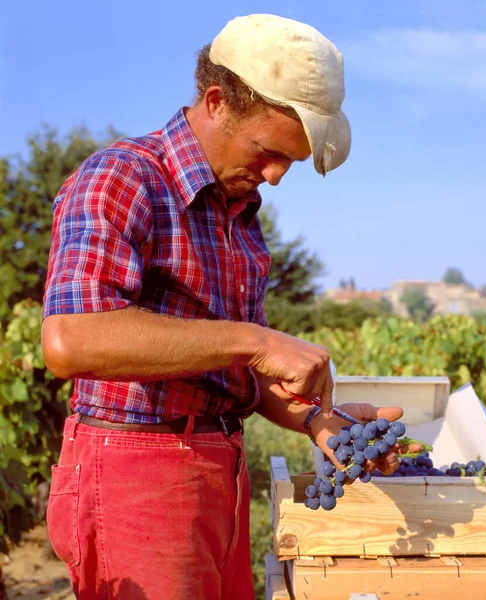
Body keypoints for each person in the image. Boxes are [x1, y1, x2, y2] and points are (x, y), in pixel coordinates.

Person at [41, 13, 419, 600]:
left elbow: (233, 370)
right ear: (217, 102)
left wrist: (316, 419)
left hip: (220, 468)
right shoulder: (123, 178)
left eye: (289, 162)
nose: (274, 176)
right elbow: (71, 340)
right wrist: (257, 340)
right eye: (269, 151)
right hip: (134, 469)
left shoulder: (239, 215)